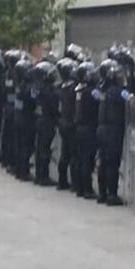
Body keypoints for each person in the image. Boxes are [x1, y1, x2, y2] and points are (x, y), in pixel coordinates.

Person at [96, 59, 128, 205]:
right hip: (113, 130)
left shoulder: (102, 90)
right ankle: (112, 195)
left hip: (101, 128)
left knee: (103, 161)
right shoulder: (118, 92)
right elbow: (131, 99)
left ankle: (102, 193)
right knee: (112, 163)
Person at [72, 62, 100, 200]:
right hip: (89, 127)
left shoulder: (78, 89)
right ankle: (87, 188)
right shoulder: (92, 91)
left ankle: (79, 187)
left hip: (79, 127)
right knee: (87, 160)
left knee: (80, 158)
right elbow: (100, 99)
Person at [32, 60, 60, 187]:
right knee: (44, 149)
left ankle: (39, 175)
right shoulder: (48, 90)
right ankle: (43, 176)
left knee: (40, 148)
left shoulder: (37, 88)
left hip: (39, 119)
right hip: (47, 120)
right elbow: (53, 107)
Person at [56, 58, 78, 190]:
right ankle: (74, 182)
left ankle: (62, 180)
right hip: (70, 123)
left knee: (65, 153)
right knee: (73, 154)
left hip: (63, 121)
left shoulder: (61, 87)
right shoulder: (73, 88)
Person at [0, 50, 21, 170]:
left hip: (8, 105)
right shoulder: (15, 74)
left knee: (7, 134)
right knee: (12, 136)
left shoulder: (6, 73)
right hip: (13, 106)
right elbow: (14, 91)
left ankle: (5, 159)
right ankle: (11, 161)